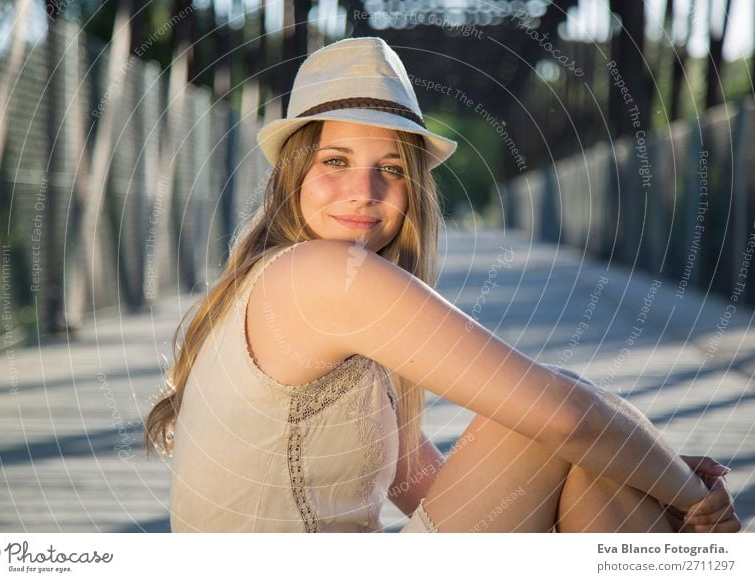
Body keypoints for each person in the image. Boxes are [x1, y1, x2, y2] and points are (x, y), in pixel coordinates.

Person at [145, 36, 740, 533]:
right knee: (551, 408)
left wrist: (631, 462)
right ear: (294, 172)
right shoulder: (319, 273)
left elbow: (409, 478)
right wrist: (690, 495)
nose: (364, 189)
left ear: (414, 192)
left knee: (589, 452)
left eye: (391, 168)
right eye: (335, 161)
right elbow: (566, 417)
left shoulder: (280, 281)